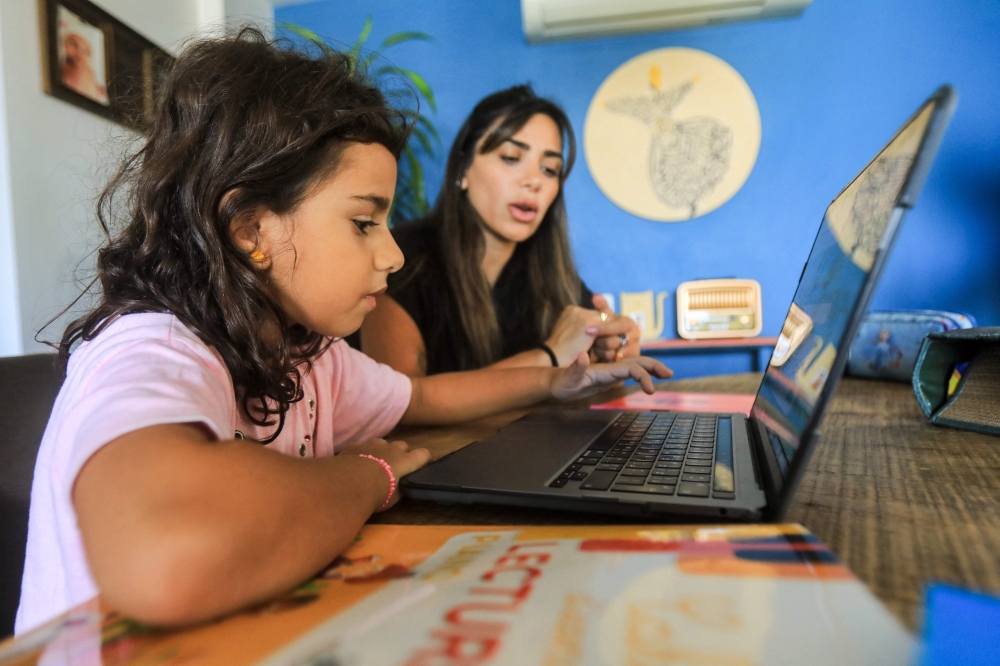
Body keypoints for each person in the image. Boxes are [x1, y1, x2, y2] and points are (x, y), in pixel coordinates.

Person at [14, 31, 671, 634]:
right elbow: (166, 558)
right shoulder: (154, 346)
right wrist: (369, 475)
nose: (391, 255)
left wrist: (562, 382)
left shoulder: (309, 353)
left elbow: (421, 401)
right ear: (251, 230)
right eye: (364, 223)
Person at [359, 85, 642, 376]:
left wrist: (612, 348)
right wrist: (550, 356)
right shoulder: (404, 257)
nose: (534, 181)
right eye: (510, 157)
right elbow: (401, 406)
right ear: (463, 170)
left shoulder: (556, 277)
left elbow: (599, 386)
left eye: (549, 169)